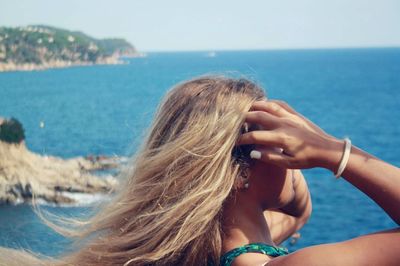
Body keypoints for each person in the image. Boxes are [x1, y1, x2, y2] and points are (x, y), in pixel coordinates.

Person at [0, 76, 399, 265]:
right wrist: (332, 151)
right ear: (241, 174)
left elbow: (298, 214)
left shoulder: (193, 253)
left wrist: (294, 182)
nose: (293, 152)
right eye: (275, 142)